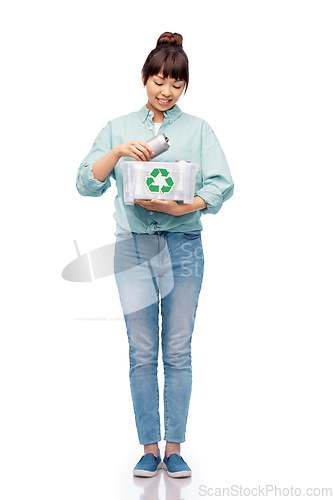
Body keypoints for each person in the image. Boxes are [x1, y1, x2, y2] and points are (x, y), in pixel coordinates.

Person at [76, 31, 234, 478]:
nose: (166, 91)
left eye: (176, 84)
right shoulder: (118, 127)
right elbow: (86, 183)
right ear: (144, 77)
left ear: (185, 87)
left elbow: (220, 185)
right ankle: (149, 448)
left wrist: (179, 206)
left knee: (178, 351)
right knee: (142, 351)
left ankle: (175, 447)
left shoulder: (198, 129)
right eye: (158, 81)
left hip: (184, 247)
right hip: (133, 248)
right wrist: (118, 152)